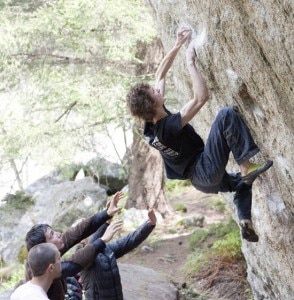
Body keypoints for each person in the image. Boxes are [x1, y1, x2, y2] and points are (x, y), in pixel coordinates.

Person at [126, 27, 273, 243]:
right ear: (152, 104)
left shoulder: (150, 125)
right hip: (204, 169)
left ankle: (245, 220)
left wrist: (177, 45)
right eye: (154, 93)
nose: (158, 91)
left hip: (201, 180)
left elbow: (160, 74)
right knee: (225, 115)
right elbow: (201, 98)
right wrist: (190, 63)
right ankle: (246, 165)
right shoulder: (167, 128)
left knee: (243, 183)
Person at [25, 191, 124, 300]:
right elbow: (73, 264)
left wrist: (107, 213)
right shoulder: (44, 269)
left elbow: (76, 232)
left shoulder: (44, 254)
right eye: (52, 234)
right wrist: (102, 240)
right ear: (43, 247)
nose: (59, 234)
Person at [79, 207, 157, 300]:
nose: (94, 230)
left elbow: (130, 240)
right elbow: (91, 248)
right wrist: (106, 223)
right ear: (81, 238)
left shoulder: (107, 249)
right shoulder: (79, 255)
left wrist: (149, 224)